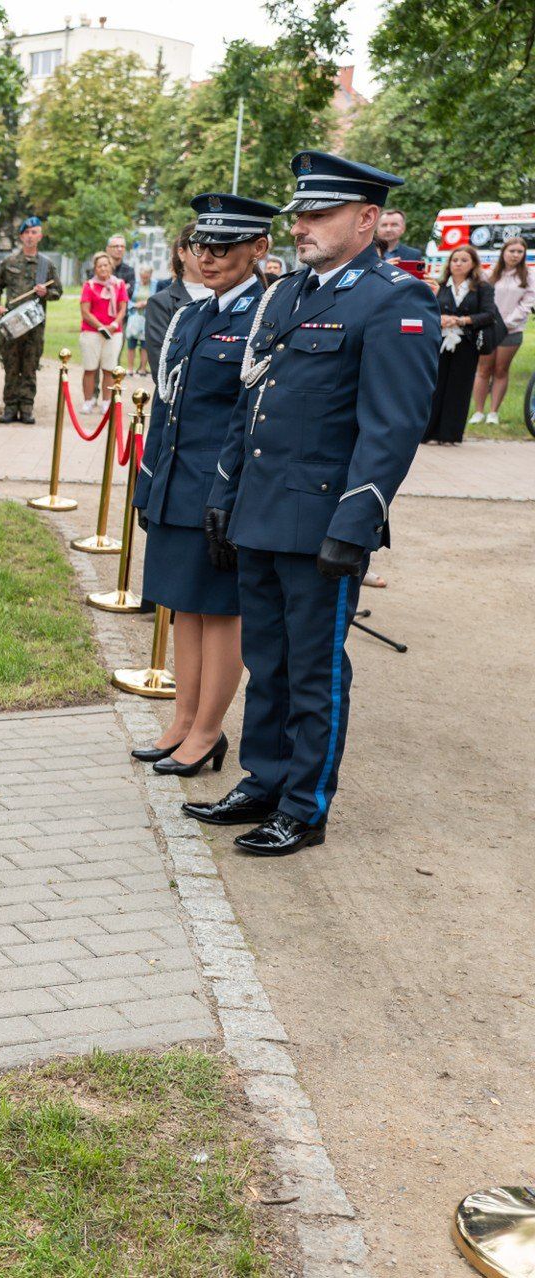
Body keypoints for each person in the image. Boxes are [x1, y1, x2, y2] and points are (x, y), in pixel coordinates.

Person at [197, 151, 438, 856]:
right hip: (262, 512)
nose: (301, 224)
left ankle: (305, 805)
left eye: (319, 213)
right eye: (299, 212)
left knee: (314, 668)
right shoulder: (291, 292)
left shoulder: (395, 299)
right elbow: (255, 405)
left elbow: (390, 430)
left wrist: (355, 523)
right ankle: (264, 780)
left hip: (322, 521)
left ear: (366, 220)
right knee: (266, 659)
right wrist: (224, 494)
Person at [132, 193, 279, 779]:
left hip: (220, 490)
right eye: (200, 246)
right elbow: (166, 410)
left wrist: (233, 494)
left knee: (220, 612)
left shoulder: (264, 316)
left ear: (258, 248)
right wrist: (148, 487)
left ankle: (209, 730)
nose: (208, 257)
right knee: (182, 606)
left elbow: (253, 417)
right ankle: (182, 720)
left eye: (224, 247)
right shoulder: (193, 314)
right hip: (176, 486)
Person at [0, 216, 61, 424]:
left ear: (40, 236)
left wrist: (46, 292)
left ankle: (27, 408)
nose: (30, 236)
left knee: (29, 368)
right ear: (21, 236)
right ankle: (10, 408)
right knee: (11, 367)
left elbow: (58, 291)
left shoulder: (46, 265)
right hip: (12, 324)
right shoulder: (9, 262)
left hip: (34, 327)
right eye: (27, 233)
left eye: (34, 232)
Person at [423, 245, 497, 446]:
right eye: (455, 260)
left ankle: (450, 434)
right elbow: (426, 309)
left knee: (459, 387)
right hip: (440, 341)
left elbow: (489, 314)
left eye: (464, 260)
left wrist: (461, 320)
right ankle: (428, 432)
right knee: (435, 386)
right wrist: (440, 318)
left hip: (467, 343)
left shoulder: (482, 287)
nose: (458, 264)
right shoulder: (440, 285)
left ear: (473, 263)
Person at [472, 236, 529, 427]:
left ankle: (493, 412)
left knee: (500, 370)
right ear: (503, 252)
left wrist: (505, 323)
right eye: (511, 251)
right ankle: (479, 411)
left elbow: (525, 305)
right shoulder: (490, 275)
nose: (515, 255)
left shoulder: (528, 277)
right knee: (483, 369)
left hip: (511, 331)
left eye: (519, 252)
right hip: (488, 329)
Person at [143, 224, 204, 377]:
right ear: (181, 253)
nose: (206, 255)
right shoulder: (161, 302)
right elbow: (161, 366)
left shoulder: (226, 297)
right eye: (198, 248)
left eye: (213, 247)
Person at [77, 251, 128, 412]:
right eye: (99, 266)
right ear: (95, 268)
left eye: (106, 265)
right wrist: (100, 326)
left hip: (114, 332)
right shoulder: (89, 285)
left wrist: (112, 325)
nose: (103, 268)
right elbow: (85, 311)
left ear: (111, 267)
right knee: (90, 368)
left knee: (109, 369)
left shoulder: (119, 284)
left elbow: (123, 308)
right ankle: (88, 400)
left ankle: (106, 401)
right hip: (91, 332)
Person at [125, 266, 151, 374]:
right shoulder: (134, 285)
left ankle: (142, 368)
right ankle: (130, 368)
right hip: (134, 317)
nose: (144, 279)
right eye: (142, 277)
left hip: (147, 318)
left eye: (146, 277)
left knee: (145, 344)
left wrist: (147, 303)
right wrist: (135, 305)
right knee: (131, 343)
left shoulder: (154, 285)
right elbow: (126, 299)